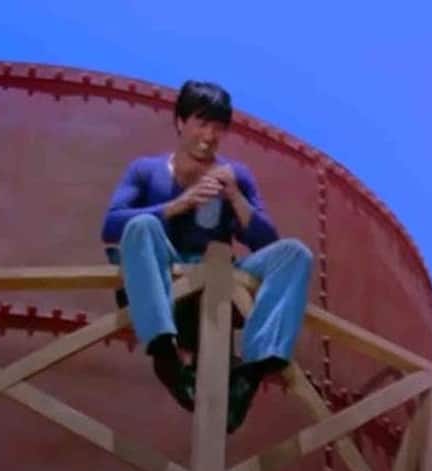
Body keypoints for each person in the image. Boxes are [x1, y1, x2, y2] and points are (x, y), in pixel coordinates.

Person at [101, 80, 313, 433]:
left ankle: (250, 373)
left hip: (219, 284)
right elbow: (110, 226)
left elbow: (267, 242)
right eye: (202, 123)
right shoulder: (146, 169)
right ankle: (165, 355)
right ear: (180, 121)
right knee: (140, 225)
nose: (210, 135)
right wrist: (179, 204)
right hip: (165, 281)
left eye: (218, 127)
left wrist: (235, 197)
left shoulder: (236, 175)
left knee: (294, 254)